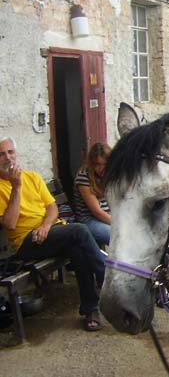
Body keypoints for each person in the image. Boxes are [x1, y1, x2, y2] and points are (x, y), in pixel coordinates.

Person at [0, 136, 106, 331]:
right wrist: (16, 187)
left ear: (17, 154)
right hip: (27, 242)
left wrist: (46, 226)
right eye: (2, 154)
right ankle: (106, 278)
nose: (8, 157)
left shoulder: (32, 176)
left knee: (78, 251)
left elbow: (52, 207)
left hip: (49, 232)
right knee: (80, 230)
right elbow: (10, 223)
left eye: (11, 152)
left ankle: (91, 309)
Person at [73, 142, 111, 247]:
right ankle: (118, 264)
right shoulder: (84, 177)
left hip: (108, 215)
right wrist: (118, 224)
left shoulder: (110, 173)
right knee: (117, 237)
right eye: (98, 164)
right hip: (89, 219)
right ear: (92, 163)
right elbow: (97, 211)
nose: (101, 168)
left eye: (105, 164)